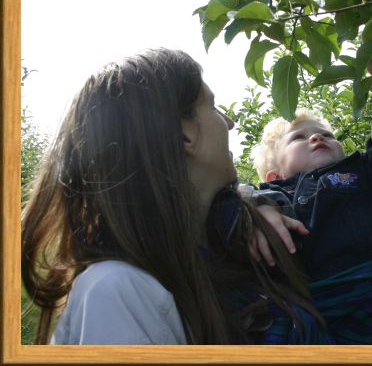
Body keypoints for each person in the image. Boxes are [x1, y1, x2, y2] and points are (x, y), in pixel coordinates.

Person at [21, 48, 330, 345]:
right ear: (185, 134)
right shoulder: (117, 292)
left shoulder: (210, 258)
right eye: (213, 106)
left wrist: (259, 204)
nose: (229, 122)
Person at [249, 57, 372, 343]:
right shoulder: (274, 197)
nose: (316, 138)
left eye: (325, 134)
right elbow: (230, 199)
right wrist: (257, 206)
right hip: (297, 319)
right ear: (274, 176)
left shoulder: (366, 179)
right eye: (299, 138)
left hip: (361, 315)